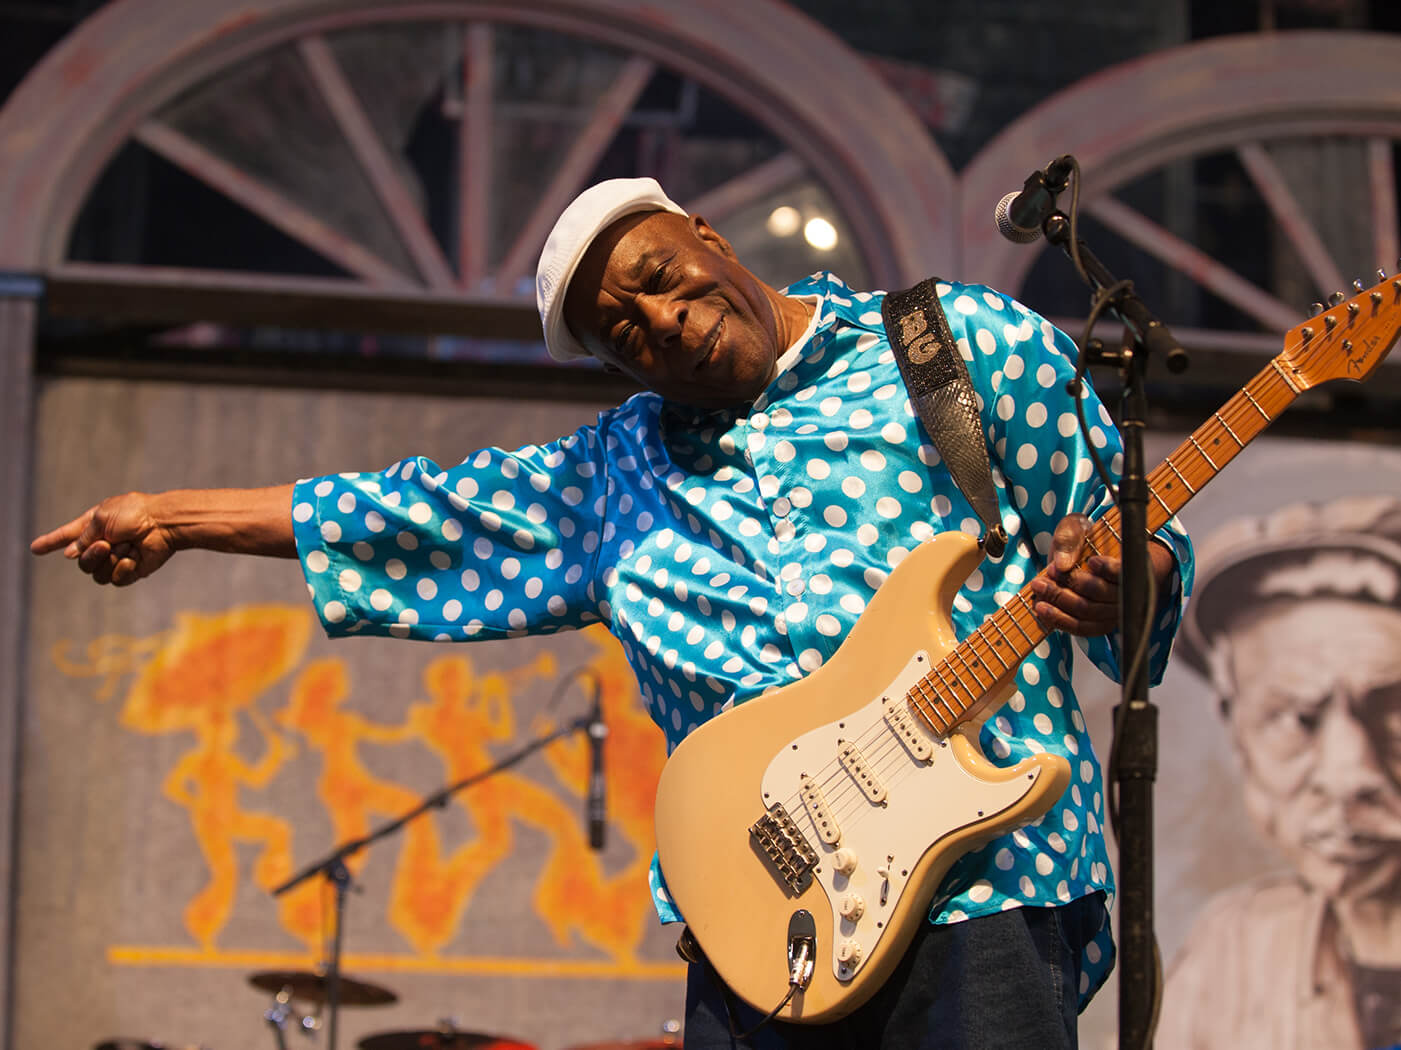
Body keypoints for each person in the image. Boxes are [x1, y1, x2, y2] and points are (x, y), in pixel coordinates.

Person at [32, 177, 1192, 1048]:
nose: (662, 319)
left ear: (709, 237)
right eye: (623, 333)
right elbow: (409, 518)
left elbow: (1127, 540)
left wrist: (1119, 578)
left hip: (980, 882)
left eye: (658, 277)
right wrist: (177, 514)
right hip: (766, 920)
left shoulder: (953, 350)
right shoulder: (614, 481)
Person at [1158, 495, 1401, 1050]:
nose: (1348, 773)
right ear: (1236, 731)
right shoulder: (1230, 958)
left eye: (1392, 707)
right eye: (1294, 717)